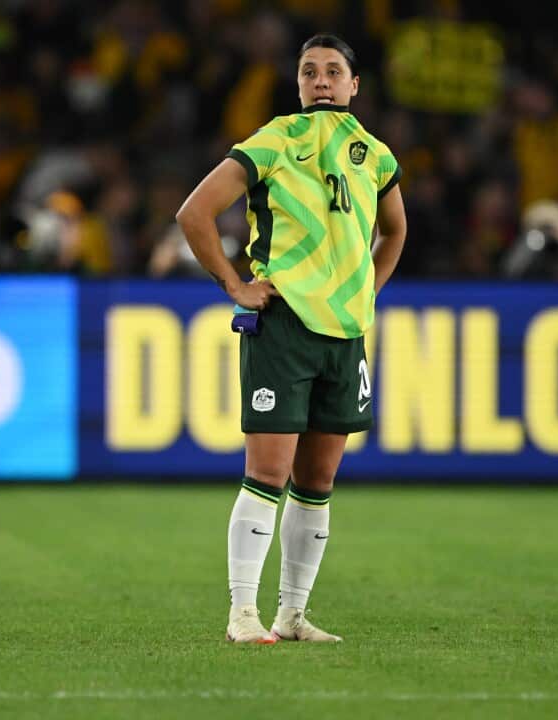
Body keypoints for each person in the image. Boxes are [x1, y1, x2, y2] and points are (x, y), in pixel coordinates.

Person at [176, 33, 406, 644]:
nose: (322, 80)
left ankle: (292, 615)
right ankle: (242, 613)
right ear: (298, 85)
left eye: (334, 71)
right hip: (284, 327)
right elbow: (194, 212)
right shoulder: (276, 139)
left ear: (355, 85)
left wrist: (366, 290)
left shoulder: (376, 155)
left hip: (344, 333)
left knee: (318, 482)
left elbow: (396, 231)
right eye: (310, 72)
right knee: (268, 472)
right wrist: (234, 283)